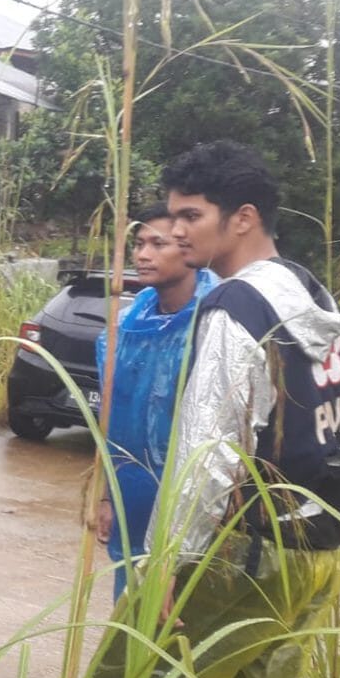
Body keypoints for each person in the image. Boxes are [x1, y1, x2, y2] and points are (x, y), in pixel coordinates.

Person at [84, 141, 340, 678]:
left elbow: (208, 449)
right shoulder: (316, 294)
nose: (176, 233)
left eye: (190, 218)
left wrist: (166, 568)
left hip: (246, 546)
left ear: (243, 219)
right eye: (171, 218)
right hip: (319, 544)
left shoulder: (235, 305)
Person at [93, 202, 216, 599]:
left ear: (189, 245)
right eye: (139, 243)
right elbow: (112, 422)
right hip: (134, 500)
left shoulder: (217, 322)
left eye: (157, 244)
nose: (142, 254)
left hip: (196, 512)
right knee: (128, 616)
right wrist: (107, 497)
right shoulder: (129, 325)